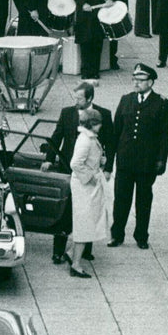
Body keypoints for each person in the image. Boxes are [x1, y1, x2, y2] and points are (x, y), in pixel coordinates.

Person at [43, 81, 115, 266]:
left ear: (90, 98)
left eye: (79, 98)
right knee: (65, 212)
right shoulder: (67, 113)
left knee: (89, 212)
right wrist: (49, 159)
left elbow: (110, 142)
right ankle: (58, 252)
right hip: (69, 169)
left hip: (88, 171)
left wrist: (107, 168)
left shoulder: (103, 115)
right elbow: (57, 135)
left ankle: (85, 251)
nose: (76, 101)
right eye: (74, 98)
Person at [109, 63, 168, 250]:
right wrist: (111, 160)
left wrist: (161, 160)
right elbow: (116, 131)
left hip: (146, 162)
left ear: (150, 82)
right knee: (121, 199)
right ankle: (117, 234)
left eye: (141, 80)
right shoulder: (126, 100)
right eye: (134, 79)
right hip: (125, 160)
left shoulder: (160, 103)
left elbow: (165, 134)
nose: (136, 83)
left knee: (143, 201)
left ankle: (141, 236)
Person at [68, 107, 110, 278]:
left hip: (85, 185)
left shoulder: (87, 138)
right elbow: (75, 163)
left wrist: (100, 161)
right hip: (84, 187)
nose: (100, 126)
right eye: (98, 123)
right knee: (85, 223)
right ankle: (76, 264)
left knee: (85, 221)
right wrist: (90, 177)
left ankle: (72, 254)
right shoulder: (86, 140)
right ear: (92, 124)